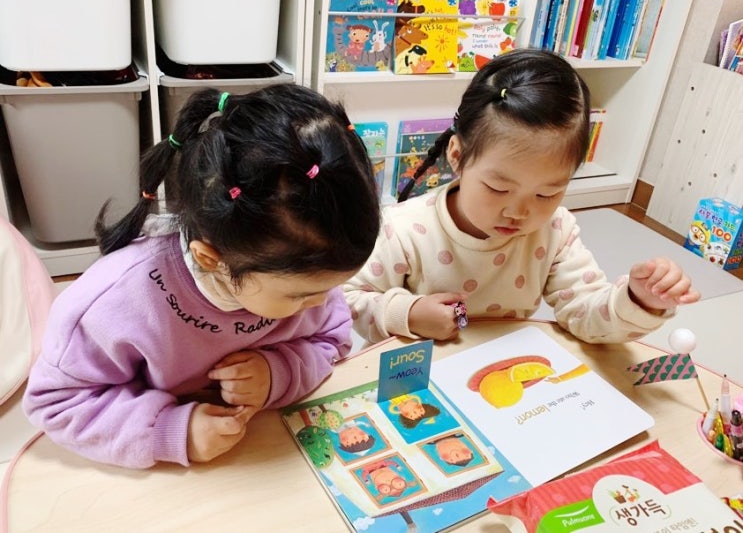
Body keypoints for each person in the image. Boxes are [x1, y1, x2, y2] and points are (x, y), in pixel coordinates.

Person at [22, 84, 381, 469]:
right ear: (211, 259)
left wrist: (277, 374)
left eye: (330, 287)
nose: (323, 302)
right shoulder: (112, 304)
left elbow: (331, 339)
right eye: (299, 296)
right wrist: (168, 431)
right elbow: (56, 403)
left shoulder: (307, 277)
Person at [344, 48, 700, 345]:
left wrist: (638, 300)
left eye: (547, 193)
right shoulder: (403, 229)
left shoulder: (555, 231)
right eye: (498, 188)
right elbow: (345, 300)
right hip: (414, 377)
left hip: (508, 377)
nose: (519, 211)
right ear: (457, 155)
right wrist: (406, 313)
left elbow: (585, 313)